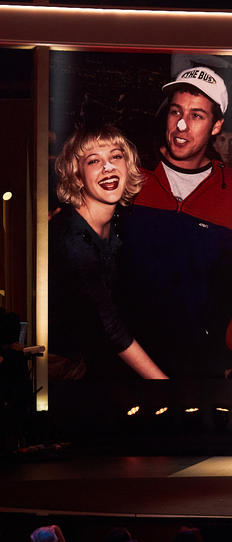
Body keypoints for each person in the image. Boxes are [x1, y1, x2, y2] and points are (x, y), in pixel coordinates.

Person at [118, 65, 232, 380]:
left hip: (199, 368)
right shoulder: (130, 181)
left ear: (217, 126)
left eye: (197, 115)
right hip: (129, 362)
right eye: (176, 112)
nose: (181, 125)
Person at [49, 125, 168, 381]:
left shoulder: (118, 224)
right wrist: (166, 387)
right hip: (64, 374)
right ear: (77, 177)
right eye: (94, 160)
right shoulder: (70, 237)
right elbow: (111, 328)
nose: (108, 167)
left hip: (99, 364)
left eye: (116, 156)